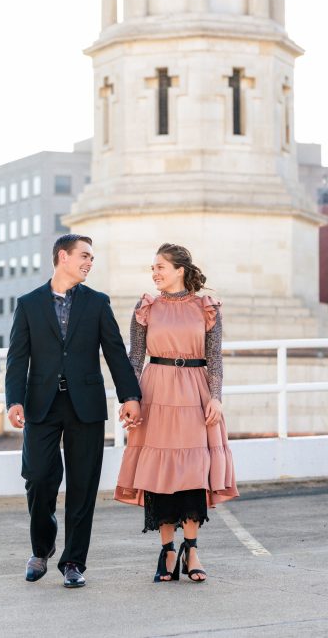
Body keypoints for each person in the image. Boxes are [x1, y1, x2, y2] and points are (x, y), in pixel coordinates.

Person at [5, 234, 142, 588]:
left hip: (86, 405)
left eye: (92, 257)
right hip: (41, 405)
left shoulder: (97, 303)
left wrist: (130, 395)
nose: (89, 262)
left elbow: (115, 351)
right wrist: (14, 400)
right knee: (37, 477)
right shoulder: (29, 303)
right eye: (84, 255)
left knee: (83, 484)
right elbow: (17, 357)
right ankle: (41, 548)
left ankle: (74, 562)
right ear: (62, 257)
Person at [114, 243, 238, 583]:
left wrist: (216, 397)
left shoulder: (206, 307)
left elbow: (215, 358)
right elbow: (134, 358)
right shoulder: (146, 307)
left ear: (179, 269)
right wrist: (130, 398)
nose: (154, 273)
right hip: (156, 391)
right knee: (160, 472)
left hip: (196, 391)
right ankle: (168, 549)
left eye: (160, 267)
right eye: (152, 268)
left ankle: (192, 548)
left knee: (194, 469)